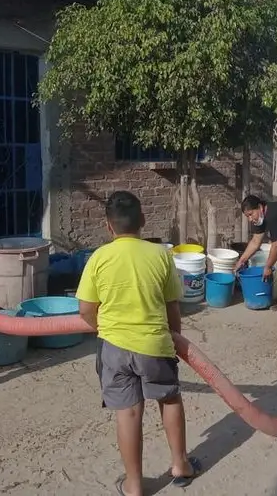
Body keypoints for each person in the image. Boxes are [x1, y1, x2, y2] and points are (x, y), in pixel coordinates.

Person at [75, 191, 201, 496]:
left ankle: (133, 484)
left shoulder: (99, 258)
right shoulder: (160, 256)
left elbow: (86, 310)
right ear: (143, 220)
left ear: (108, 227)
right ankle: (180, 464)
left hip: (114, 348)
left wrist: (105, 329)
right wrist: (174, 340)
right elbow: (173, 307)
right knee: (169, 399)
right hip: (155, 345)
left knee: (128, 413)